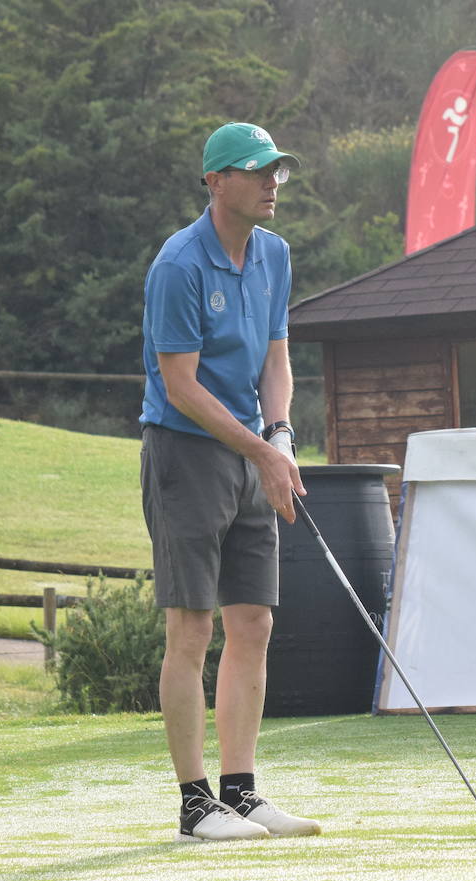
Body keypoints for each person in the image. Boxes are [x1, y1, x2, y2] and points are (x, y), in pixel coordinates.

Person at [139, 122, 320, 842]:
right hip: (185, 453)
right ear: (217, 183)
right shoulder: (179, 265)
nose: (273, 181)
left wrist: (279, 437)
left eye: (279, 168)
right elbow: (180, 386)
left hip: (251, 451)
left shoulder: (274, 254)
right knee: (192, 627)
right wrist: (259, 448)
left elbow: (277, 358)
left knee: (254, 622)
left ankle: (241, 793)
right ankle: (195, 805)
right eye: (258, 170)